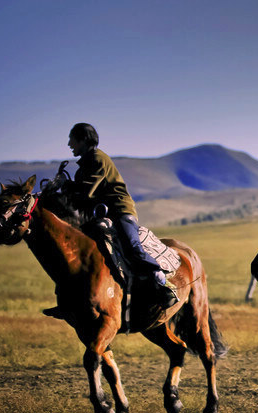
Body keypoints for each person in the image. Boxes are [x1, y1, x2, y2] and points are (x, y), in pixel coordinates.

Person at [61, 122, 177, 311]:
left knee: (132, 247)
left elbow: (86, 192)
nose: (69, 144)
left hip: (120, 211)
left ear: (83, 139)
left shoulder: (97, 159)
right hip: (101, 213)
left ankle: (162, 280)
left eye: (72, 139)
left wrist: (67, 186)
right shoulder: (85, 163)